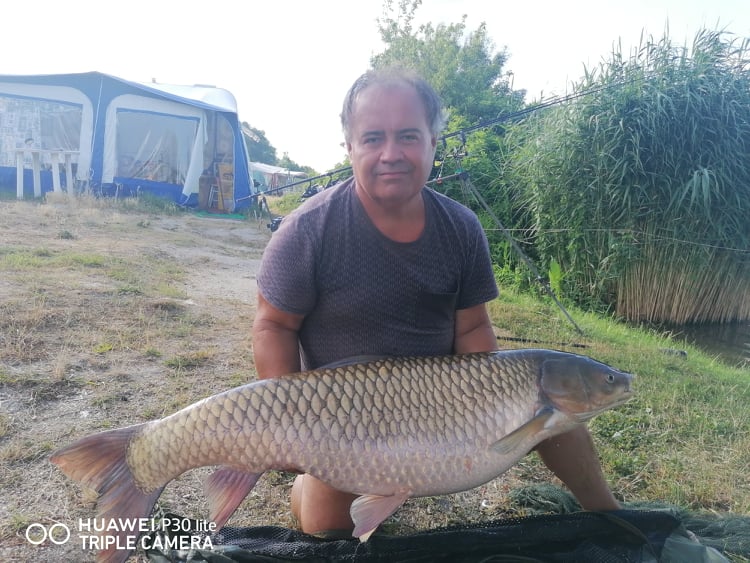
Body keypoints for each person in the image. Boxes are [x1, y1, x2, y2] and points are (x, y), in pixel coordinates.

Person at [252, 66, 620, 537]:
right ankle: (309, 485)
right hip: (344, 415)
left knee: (558, 416)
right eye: (372, 138)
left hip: (440, 403)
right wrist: (287, 422)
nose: (391, 154)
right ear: (349, 147)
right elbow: (273, 325)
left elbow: (472, 327)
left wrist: (489, 399)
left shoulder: (461, 227)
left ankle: (614, 519)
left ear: (432, 143)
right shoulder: (307, 230)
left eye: (408, 136)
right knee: (325, 528)